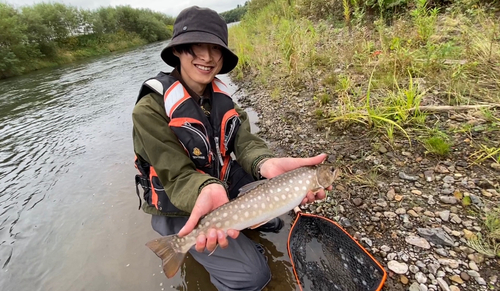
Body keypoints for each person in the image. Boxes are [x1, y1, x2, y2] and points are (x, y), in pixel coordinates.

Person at [132, 6, 330, 291]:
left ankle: (238, 237)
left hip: (220, 184)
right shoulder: (148, 111)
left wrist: (264, 163)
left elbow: (244, 141)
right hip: (180, 204)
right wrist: (206, 189)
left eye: (215, 48)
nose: (208, 57)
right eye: (196, 46)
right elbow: (175, 175)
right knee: (253, 278)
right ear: (177, 50)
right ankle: (186, 248)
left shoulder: (221, 98)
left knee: (273, 220)